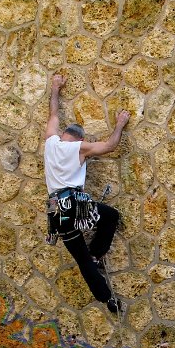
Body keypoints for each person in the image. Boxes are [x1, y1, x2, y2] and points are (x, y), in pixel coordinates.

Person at [44, 74, 130, 313]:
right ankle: (97, 254)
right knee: (110, 216)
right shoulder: (79, 148)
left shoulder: (50, 143)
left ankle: (107, 299)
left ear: (64, 134)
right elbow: (110, 146)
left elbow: (53, 115)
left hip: (55, 210)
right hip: (72, 202)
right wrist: (120, 124)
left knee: (80, 258)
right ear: (80, 139)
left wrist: (55, 89)